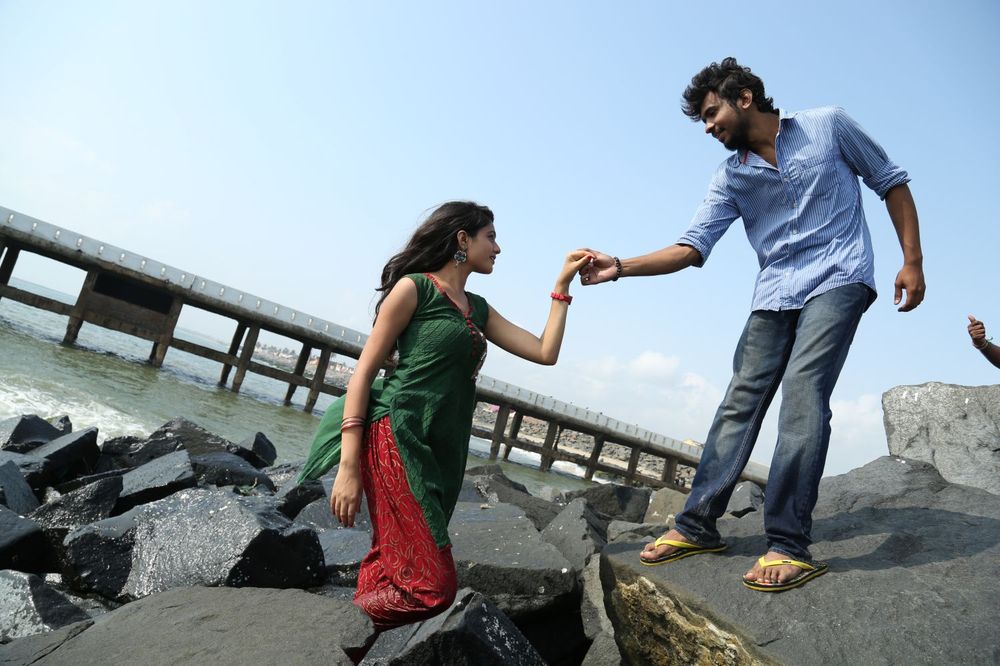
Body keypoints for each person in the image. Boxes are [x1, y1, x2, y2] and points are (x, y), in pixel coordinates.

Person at [579, 58, 925, 592]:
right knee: (740, 398)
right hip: (775, 292)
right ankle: (696, 525)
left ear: (744, 98)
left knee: (803, 392)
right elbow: (691, 247)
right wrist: (620, 266)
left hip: (840, 277)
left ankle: (788, 543)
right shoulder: (731, 176)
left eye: (711, 113)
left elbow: (891, 183)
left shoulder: (829, 125)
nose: (708, 127)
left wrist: (912, 261)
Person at [299, 201, 593, 629]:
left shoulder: (477, 308)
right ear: (462, 239)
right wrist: (348, 467)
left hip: (442, 453)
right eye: (491, 237)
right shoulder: (414, 289)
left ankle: (344, 649)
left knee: (389, 563)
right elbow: (363, 374)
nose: (498, 248)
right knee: (433, 588)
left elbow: (544, 351)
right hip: (396, 435)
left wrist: (562, 285)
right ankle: (330, 628)